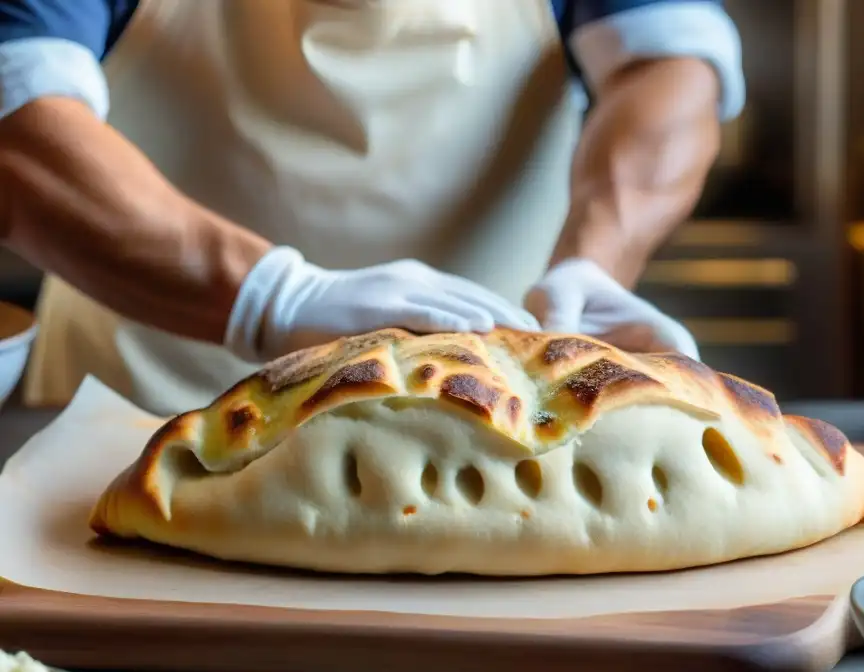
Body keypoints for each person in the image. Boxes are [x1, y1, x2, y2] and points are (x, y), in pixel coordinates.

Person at [0, 0, 744, 416]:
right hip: (128, 423)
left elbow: (669, 66)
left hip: (489, 426)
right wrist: (270, 299)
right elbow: (17, 122)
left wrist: (597, 261)